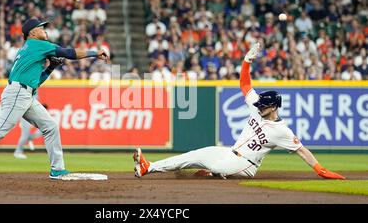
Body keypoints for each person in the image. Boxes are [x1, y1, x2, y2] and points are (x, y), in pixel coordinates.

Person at [133, 42, 345, 180]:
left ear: (273, 108)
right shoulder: (257, 107)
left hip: (246, 165)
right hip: (230, 152)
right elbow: (245, 85)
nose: (259, 106)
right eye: (259, 104)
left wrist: (321, 170)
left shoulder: (282, 131)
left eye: (263, 105)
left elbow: (302, 151)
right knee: (193, 155)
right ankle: (147, 166)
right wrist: (246, 61)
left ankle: (212, 172)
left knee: (220, 168)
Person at [0, 18, 109, 180]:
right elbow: (69, 53)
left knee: (50, 126)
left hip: (26, 93)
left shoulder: (28, 48)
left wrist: (51, 67)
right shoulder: (37, 44)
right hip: (18, 93)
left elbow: (36, 82)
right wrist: (94, 53)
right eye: (41, 27)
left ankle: (57, 169)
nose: (45, 29)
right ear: (32, 33)